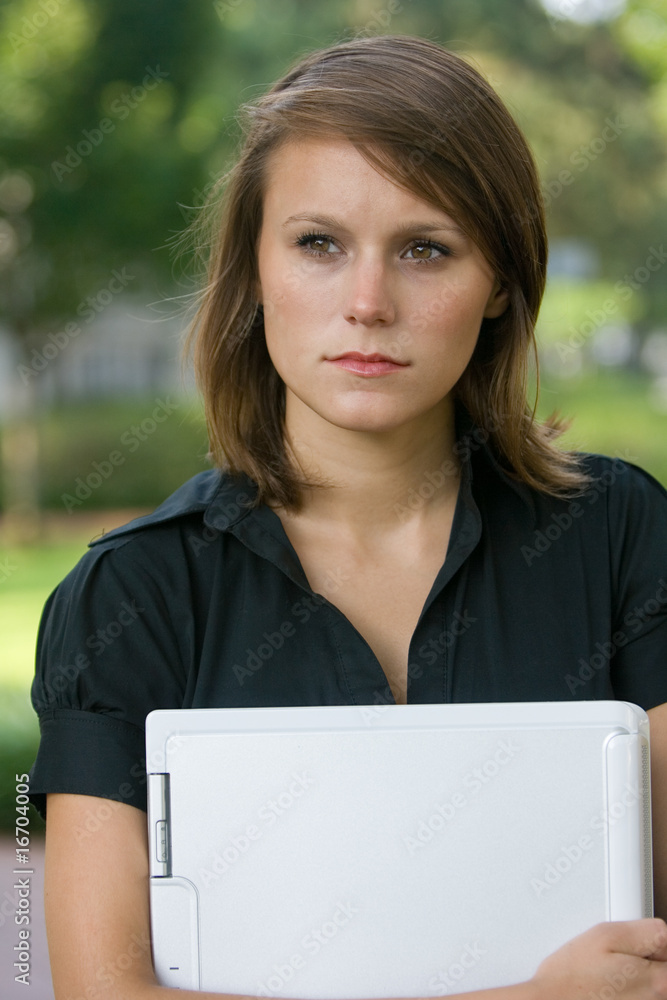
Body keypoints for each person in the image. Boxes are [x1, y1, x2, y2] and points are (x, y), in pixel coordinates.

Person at [28, 32, 667, 1000]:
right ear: (253, 269)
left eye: (425, 248)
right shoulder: (131, 596)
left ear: (499, 281)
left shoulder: (621, 534)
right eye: (318, 243)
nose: (367, 302)